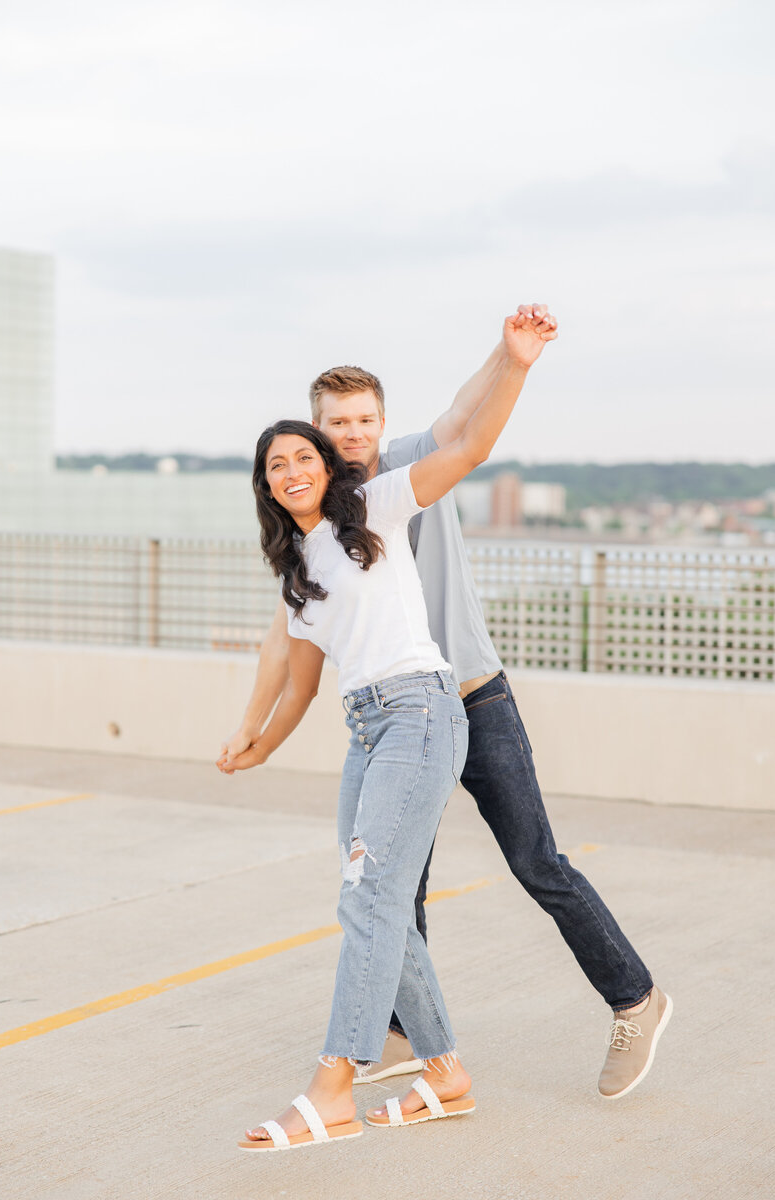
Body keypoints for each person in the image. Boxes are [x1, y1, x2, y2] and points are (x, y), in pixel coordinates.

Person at [223, 303, 672, 1104]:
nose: (352, 433)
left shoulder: (399, 475)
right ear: (317, 435)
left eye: (364, 419)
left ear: (381, 422)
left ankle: (635, 999)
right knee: (395, 886)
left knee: (535, 860)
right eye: (337, 424)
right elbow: (283, 640)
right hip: (393, 721)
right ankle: (408, 1037)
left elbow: (467, 421)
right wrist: (253, 733)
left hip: (470, 694)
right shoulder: (316, 519)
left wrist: (513, 360)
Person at [222, 309, 543, 1152]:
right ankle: (445, 1074)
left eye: (305, 455)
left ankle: (333, 1085)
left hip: (424, 710)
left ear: (327, 463)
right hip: (366, 729)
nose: (294, 469)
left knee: (371, 898)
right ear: (266, 485)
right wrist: (257, 741)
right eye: (277, 463)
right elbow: (297, 685)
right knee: (371, 897)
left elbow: (466, 448)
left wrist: (514, 364)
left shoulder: (374, 507)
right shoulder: (301, 570)